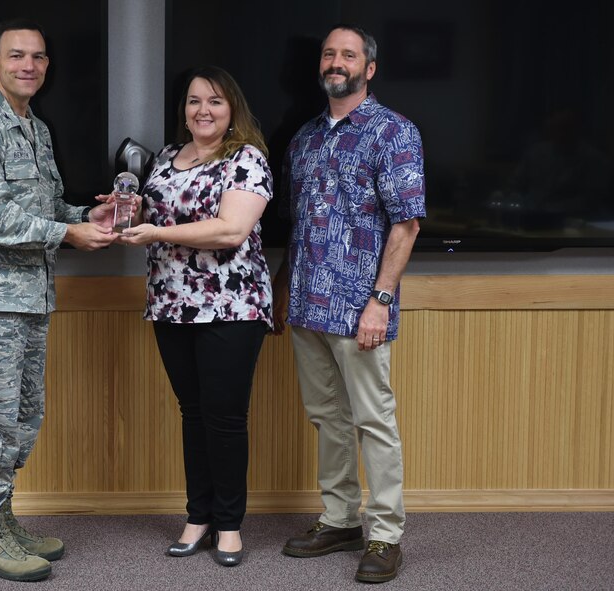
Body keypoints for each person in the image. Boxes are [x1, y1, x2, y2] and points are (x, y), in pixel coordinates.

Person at [0, 18, 117, 582]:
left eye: (38, 57)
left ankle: (5, 518)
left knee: (22, 417)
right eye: (16, 56)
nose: (29, 66)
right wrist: (68, 235)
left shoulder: (34, 130)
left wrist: (85, 216)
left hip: (29, 299)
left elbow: (43, 206)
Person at [273, 24, 426, 584]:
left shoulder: (393, 133)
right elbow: (302, 227)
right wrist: (285, 284)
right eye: (329, 53)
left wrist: (381, 301)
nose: (337, 62)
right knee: (326, 418)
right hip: (308, 306)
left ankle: (385, 534)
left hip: (361, 307)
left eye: (349, 55)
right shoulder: (305, 138)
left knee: (373, 419)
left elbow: (406, 225)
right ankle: (339, 519)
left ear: (369, 67)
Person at [117, 66, 273, 567]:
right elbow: (156, 219)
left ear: (233, 112)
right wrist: (129, 215)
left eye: (215, 102)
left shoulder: (247, 159)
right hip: (172, 304)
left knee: (225, 419)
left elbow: (230, 230)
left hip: (231, 306)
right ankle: (198, 517)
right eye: (193, 101)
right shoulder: (165, 159)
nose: (202, 110)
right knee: (193, 414)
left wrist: (157, 235)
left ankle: (229, 526)